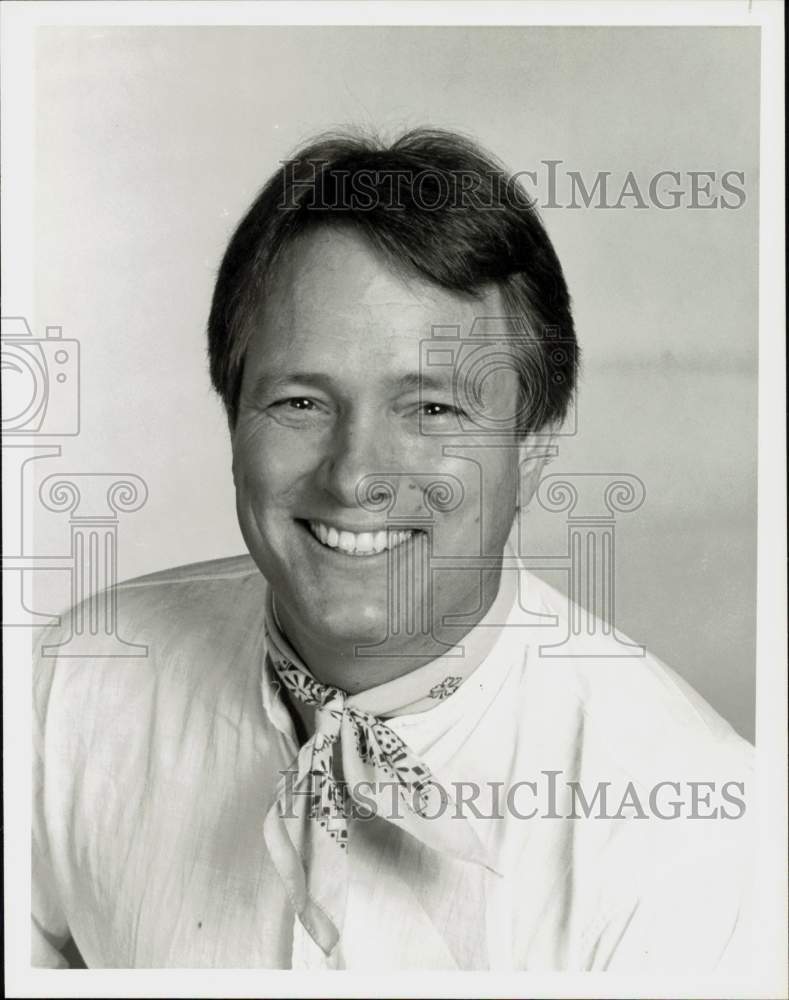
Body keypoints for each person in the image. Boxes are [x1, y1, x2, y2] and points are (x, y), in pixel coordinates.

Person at [33, 128, 753, 971]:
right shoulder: (72, 681)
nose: (355, 477)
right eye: (300, 402)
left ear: (534, 446)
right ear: (231, 417)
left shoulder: (700, 834)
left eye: (433, 410)